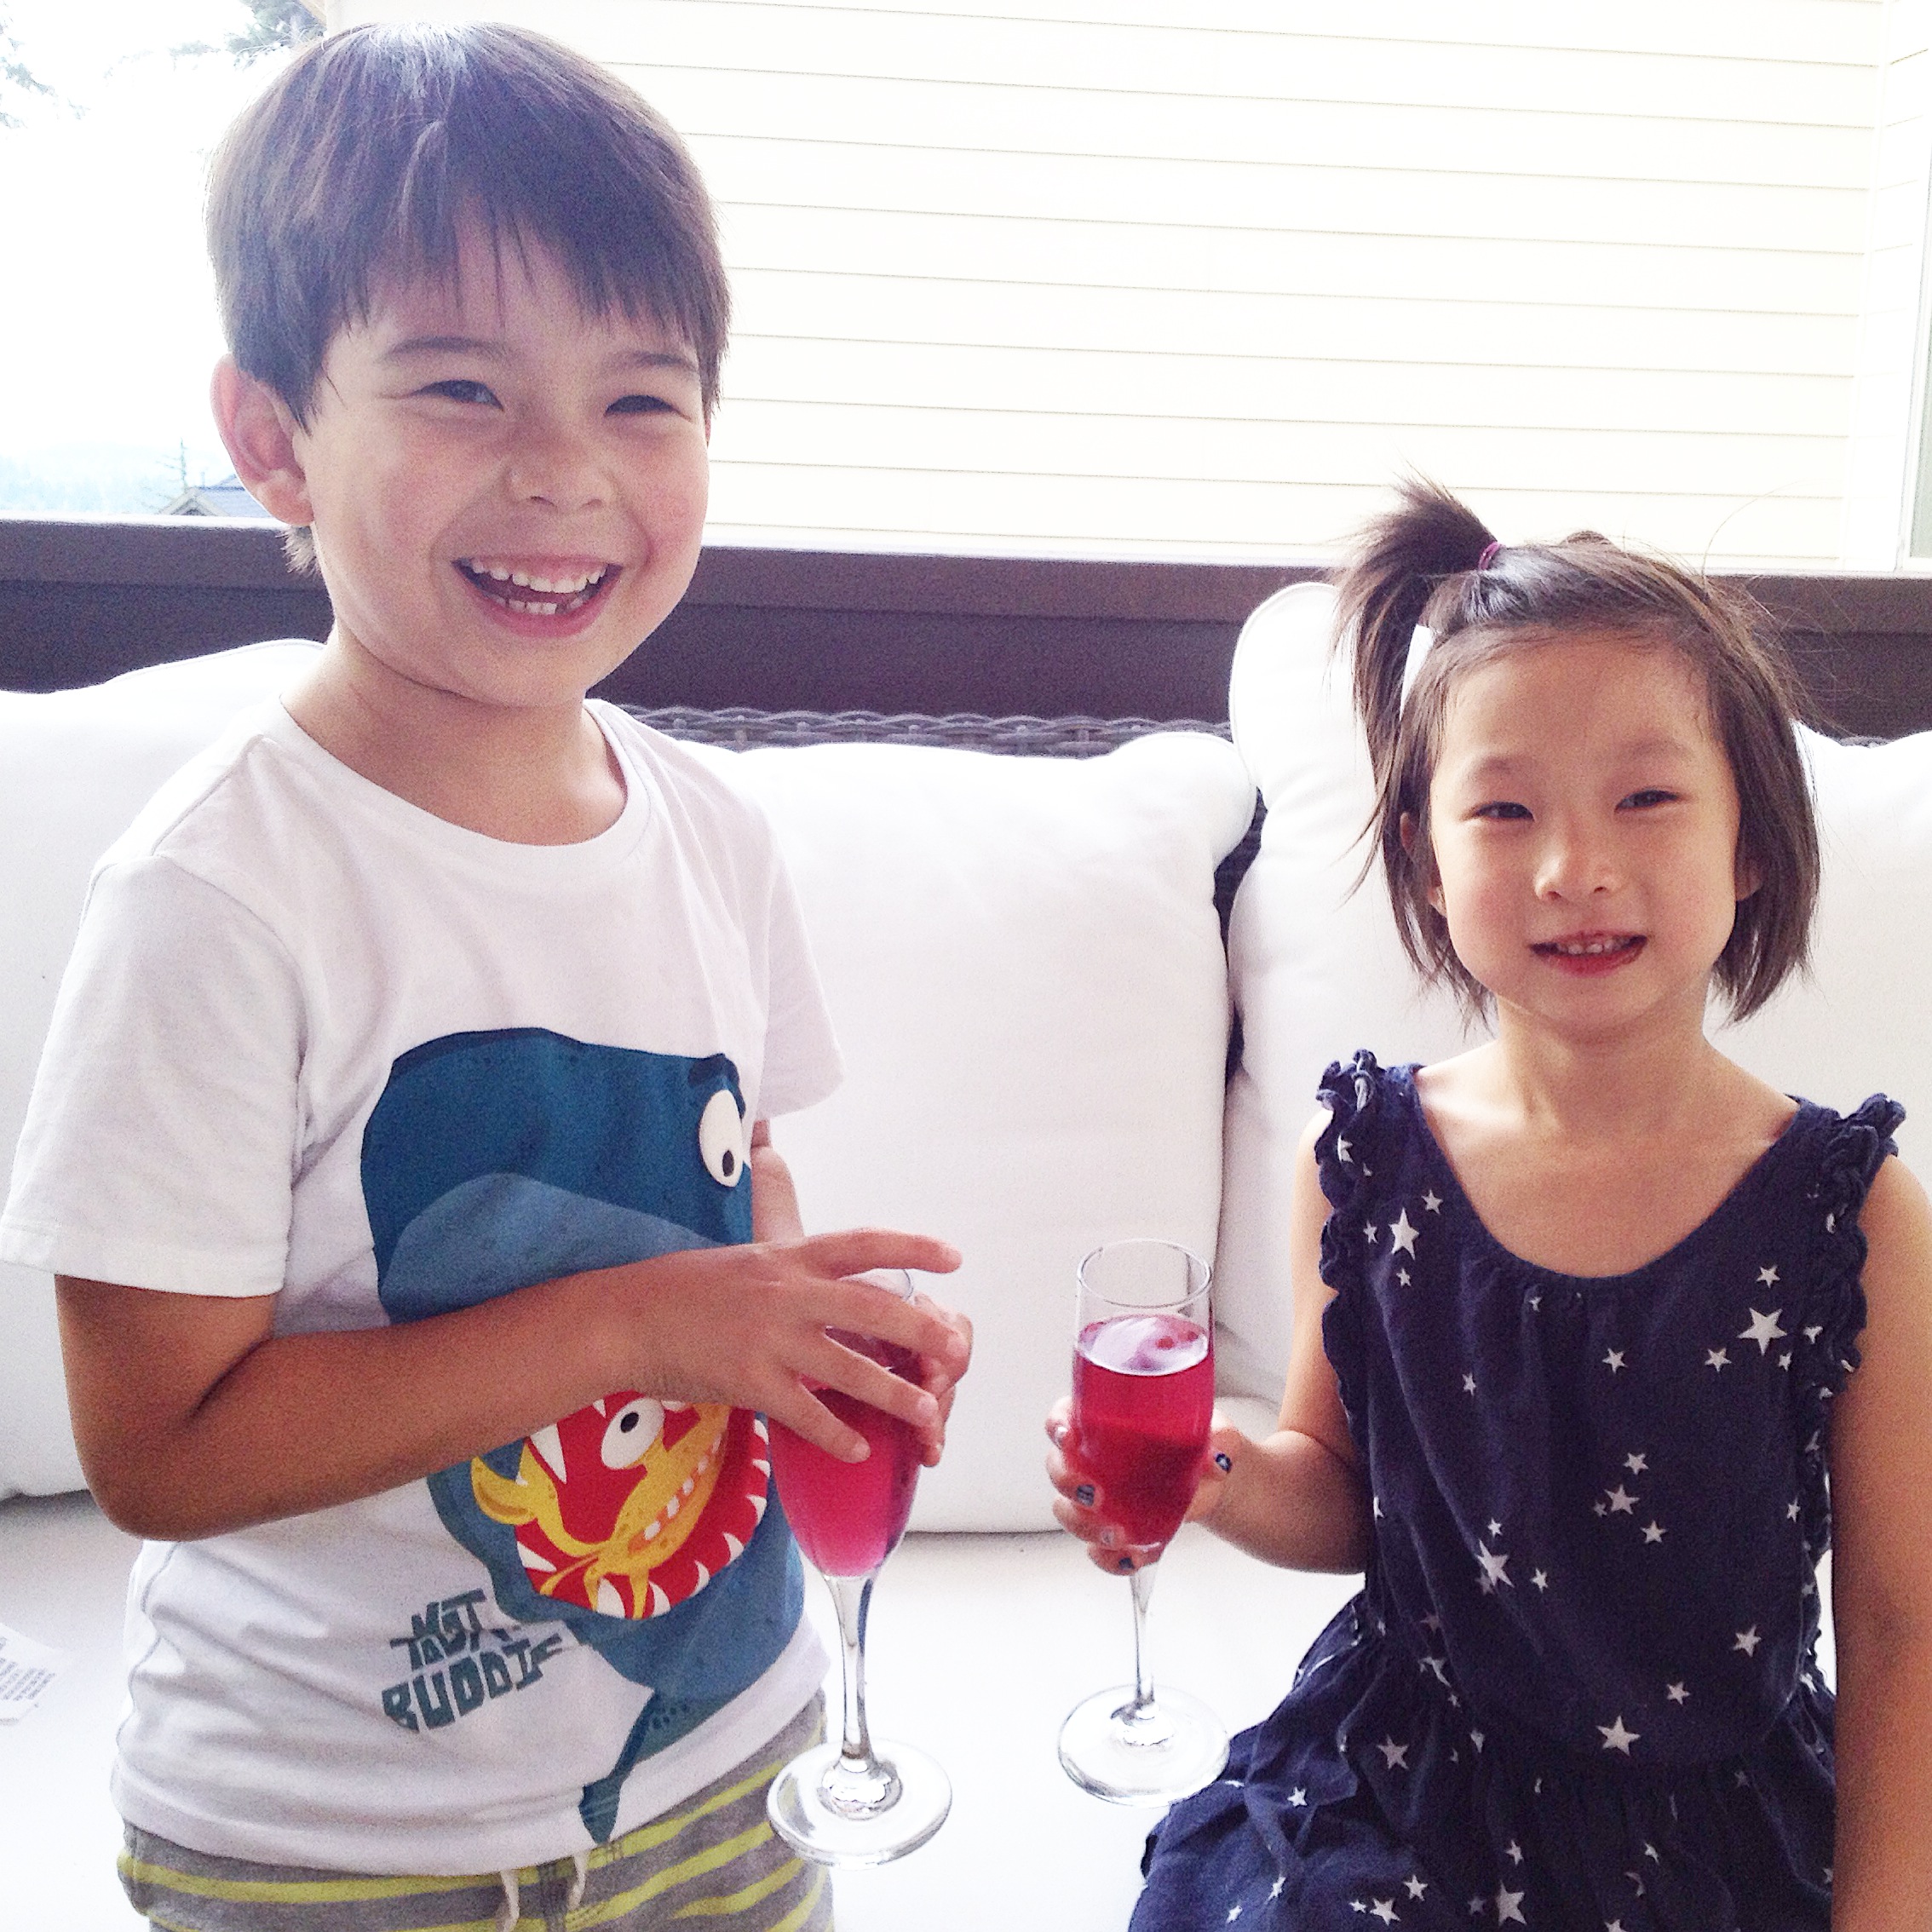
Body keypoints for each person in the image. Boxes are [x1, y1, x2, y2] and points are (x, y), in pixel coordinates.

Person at [0, 24, 970, 1932]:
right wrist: (646, 1327)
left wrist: (796, 1321)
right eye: (463, 388)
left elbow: (740, 1161)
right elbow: (157, 1450)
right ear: (272, 437)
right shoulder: (217, 896)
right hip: (331, 1840)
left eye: (642, 399)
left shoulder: (712, 828)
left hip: (727, 1751)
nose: (563, 473)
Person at [1046, 479, 1932, 1928]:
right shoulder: (1366, 1163)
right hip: (1406, 1794)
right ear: (1425, 854)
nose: (1575, 869)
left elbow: (1900, 1631)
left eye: (1646, 798)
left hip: (1715, 1824)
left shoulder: (1853, 1218)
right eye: (1505, 810)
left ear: (1752, 837)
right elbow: (1341, 1494)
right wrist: (1209, 1471)